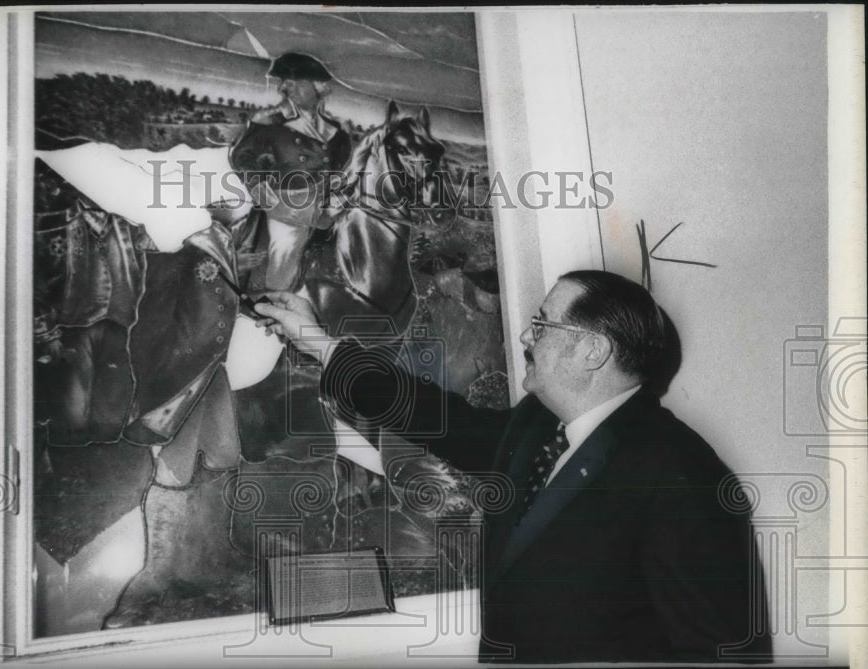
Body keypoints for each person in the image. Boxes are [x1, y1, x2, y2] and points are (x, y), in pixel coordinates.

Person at [253, 270, 772, 664]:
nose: (526, 337)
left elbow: (721, 652)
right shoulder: (537, 427)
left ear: (593, 351)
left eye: (542, 325)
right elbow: (441, 418)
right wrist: (319, 343)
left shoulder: (680, 473)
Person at [229, 52, 352, 292]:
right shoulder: (271, 124)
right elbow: (241, 157)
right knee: (285, 249)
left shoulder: (337, 132)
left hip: (322, 204)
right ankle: (274, 303)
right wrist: (264, 193)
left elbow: (338, 170)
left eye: (294, 83)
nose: (285, 89)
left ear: (317, 87)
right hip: (285, 203)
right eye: (284, 83)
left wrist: (335, 200)